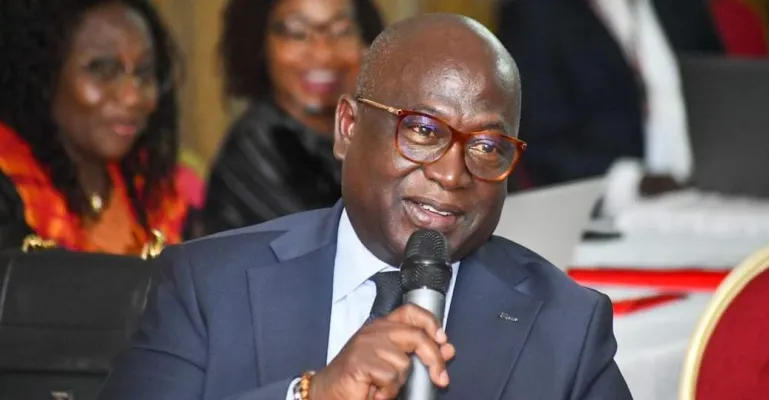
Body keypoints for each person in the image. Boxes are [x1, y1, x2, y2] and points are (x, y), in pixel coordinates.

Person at [99, 14, 632, 399]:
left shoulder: (566, 327)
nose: (452, 174)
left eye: (487, 147)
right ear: (348, 128)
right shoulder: (206, 285)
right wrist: (311, 394)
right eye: (422, 131)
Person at [0, 0, 190, 254]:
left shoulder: (156, 191)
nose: (132, 96)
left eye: (144, 71)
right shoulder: (10, 191)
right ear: (44, 74)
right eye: (102, 70)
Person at [497, 0, 723, 191]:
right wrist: (633, 183)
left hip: (714, 188)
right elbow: (544, 147)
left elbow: (726, 93)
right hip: (611, 207)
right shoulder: (536, 14)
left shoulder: (683, 6)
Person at [201, 0, 384, 235]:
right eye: (298, 34)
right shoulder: (253, 152)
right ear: (259, 43)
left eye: (342, 32)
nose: (323, 53)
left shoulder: (373, 131)